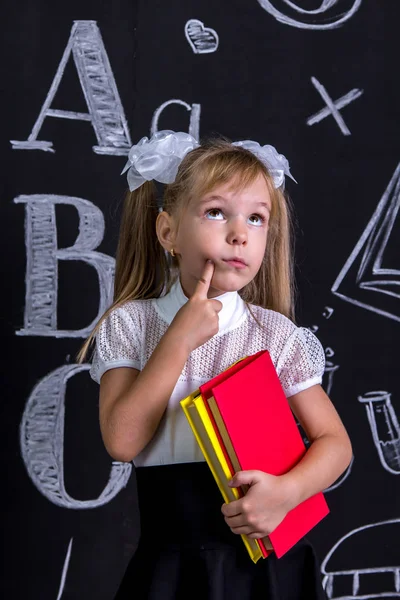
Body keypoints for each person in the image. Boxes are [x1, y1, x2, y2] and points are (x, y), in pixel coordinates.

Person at [78, 130, 352, 600]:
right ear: (168, 232)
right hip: (174, 569)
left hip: (268, 572)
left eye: (257, 218)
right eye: (216, 212)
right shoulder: (131, 324)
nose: (239, 233)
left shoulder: (275, 335)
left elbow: (336, 444)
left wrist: (286, 493)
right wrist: (178, 339)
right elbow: (122, 442)